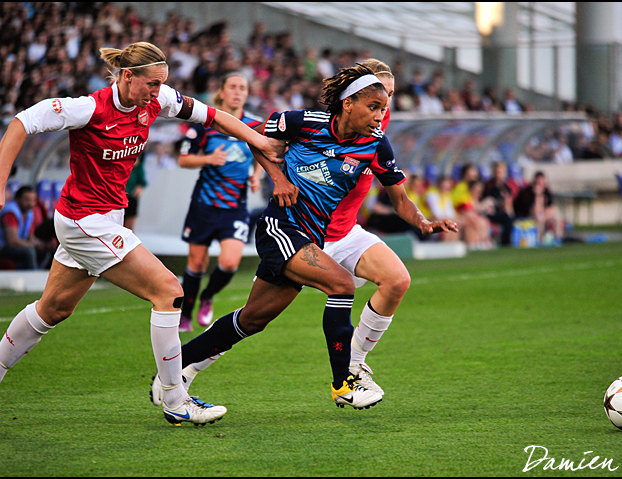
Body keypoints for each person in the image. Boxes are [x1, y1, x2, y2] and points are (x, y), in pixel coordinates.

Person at [0, 41, 282, 428]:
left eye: (162, 83)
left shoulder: (157, 99)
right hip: (84, 220)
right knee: (169, 290)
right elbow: (21, 123)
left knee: (53, 309)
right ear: (128, 76)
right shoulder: (89, 108)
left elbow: (213, 116)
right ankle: (175, 398)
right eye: (152, 83)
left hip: (106, 219)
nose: (158, 91)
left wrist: (258, 140)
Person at [151, 63, 457, 412]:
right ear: (348, 103)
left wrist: (423, 222)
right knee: (341, 285)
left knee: (252, 320)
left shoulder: (375, 145)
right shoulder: (303, 122)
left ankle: (173, 371)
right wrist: (278, 179)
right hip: (280, 228)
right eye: (374, 106)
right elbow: (257, 138)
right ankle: (344, 383)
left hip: (313, 238)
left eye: (384, 107)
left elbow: (400, 199)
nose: (379, 115)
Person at [176, 72, 264, 331]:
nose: (237, 92)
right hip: (204, 204)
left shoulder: (254, 125)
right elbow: (183, 159)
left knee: (229, 262)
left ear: (247, 94)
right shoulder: (205, 123)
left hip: (235, 206)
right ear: (222, 92)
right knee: (196, 263)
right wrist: (208, 159)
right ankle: (185, 315)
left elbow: (264, 152)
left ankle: (207, 296)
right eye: (232, 87)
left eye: (242, 88)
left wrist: (257, 175)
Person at [0, 185, 54, 270]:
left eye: (33, 200)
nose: (31, 204)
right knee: (29, 252)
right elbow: (12, 242)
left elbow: (30, 237)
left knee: (45, 251)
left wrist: (42, 245)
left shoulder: (28, 213)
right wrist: (33, 245)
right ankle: (32, 275)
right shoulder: (10, 213)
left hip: (11, 246)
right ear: (17, 199)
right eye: (27, 200)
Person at [513, 171, 564, 244]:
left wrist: (545, 213)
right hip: (526, 216)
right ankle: (539, 241)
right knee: (539, 218)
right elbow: (533, 211)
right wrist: (537, 195)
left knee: (556, 216)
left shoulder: (546, 191)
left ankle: (558, 239)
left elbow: (550, 205)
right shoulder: (527, 193)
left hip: (541, 214)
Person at [481, 161, 515, 246]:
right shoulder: (488, 186)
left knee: (508, 218)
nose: (498, 174)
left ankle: (506, 241)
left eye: (500, 172)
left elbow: (508, 202)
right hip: (490, 212)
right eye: (496, 172)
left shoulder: (506, 187)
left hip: (501, 212)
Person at [123, 151, 147, 231]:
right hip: (119, 196)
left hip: (131, 197)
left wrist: (140, 187)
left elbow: (142, 181)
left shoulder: (138, 168)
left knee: (129, 225)